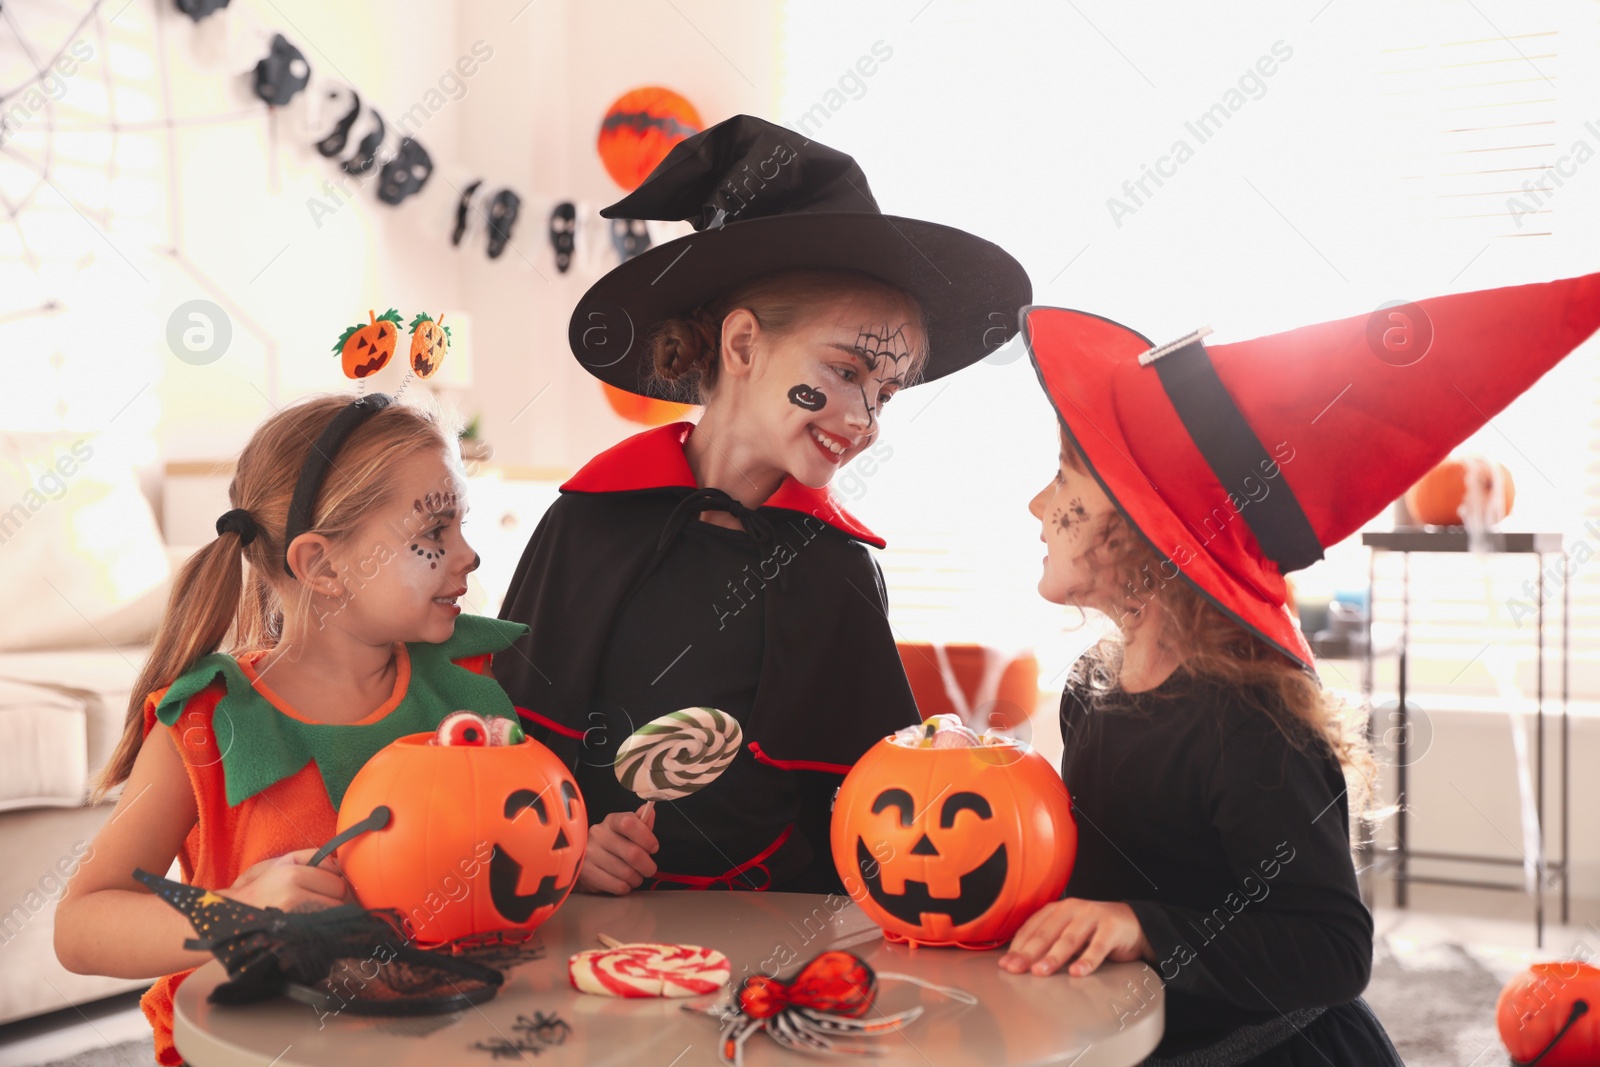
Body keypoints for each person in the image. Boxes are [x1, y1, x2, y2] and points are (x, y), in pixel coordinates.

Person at [999, 274, 1600, 1064]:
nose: (1037, 505)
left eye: (1065, 478)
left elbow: (1332, 947)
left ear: (1147, 534)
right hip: (1144, 1036)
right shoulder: (1091, 687)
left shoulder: (1246, 723)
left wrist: (1143, 925)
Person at [495, 115, 1031, 895]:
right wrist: (570, 845)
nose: (863, 418)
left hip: (772, 948)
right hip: (592, 938)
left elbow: (869, 810)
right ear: (743, 346)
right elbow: (507, 753)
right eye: (848, 371)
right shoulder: (589, 520)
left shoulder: (838, 565)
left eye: (884, 394)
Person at [55, 392, 530, 1066]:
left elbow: (513, 850)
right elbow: (80, 924)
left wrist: (580, 855)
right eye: (434, 534)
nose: (469, 555)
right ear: (324, 565)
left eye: (463, 525)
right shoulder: (207, 721)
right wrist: (236, 912)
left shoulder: (468, 687)